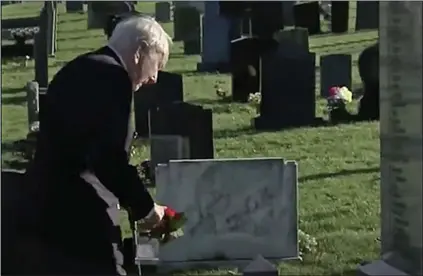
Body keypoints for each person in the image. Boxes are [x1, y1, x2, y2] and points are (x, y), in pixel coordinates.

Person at [9, 15, 172, 275]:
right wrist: (146, 209)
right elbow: (107, 157)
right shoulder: (113, 77)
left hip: (41, 204)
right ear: (141, 51)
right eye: (158, 63)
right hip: (83, 213)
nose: (154, 78)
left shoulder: (77, 68)